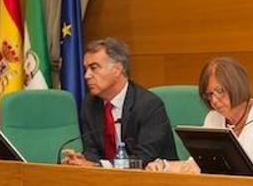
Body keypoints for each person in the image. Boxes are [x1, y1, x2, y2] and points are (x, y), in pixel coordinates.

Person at [146, 57, 253, 174]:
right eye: (209, 94)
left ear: (236, 85)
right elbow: (198, 163)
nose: (214, 100)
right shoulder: (213, 117)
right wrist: (164, 166)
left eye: (220, 91)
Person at [63, 37, 176, 167]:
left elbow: (144, 158)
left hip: (154, 180)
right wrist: (82, 160)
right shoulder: (90, 104)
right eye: (86, 69)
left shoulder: (149, 105)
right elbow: (92, 151)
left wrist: (97, 166)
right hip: (107, 181)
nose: (87, 75)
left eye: (94, 68)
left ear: (117, 69)